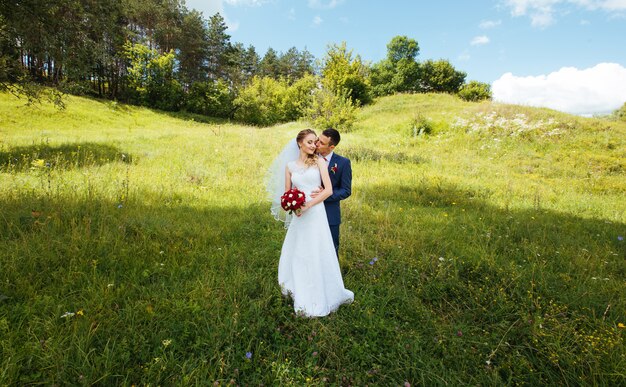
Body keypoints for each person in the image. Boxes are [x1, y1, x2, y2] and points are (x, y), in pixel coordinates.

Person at [267, 129, 353, 317]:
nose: (314, 145)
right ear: (299, 143)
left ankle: (322, 288)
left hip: (315, 212)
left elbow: (328, 190)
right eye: (310, 142)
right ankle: (296, 285)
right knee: (299, 250)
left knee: (317, 249)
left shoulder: (320, 162)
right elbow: (287, 193)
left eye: (316, 142)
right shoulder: (290, 166)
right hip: (299, 215)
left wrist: (308, 205)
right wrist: (292, 206)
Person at [313, 128, 352, 255]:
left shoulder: (343, 163)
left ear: (332, 147)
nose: (317, 144)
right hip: (309, 210)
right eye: (318, 140)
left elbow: (346, 190)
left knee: (331, 249)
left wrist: (325, 195)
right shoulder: (308, 157)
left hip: (330, 213)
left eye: (322, 143)